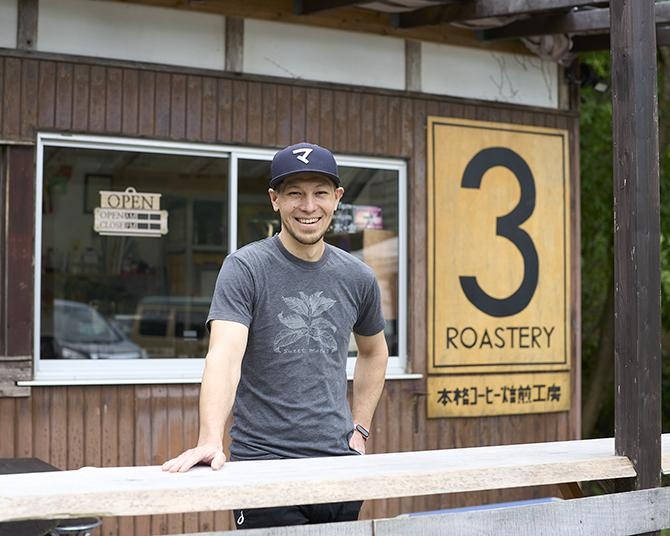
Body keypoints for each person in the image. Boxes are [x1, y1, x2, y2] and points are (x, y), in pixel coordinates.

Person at [162, 142, 389, 529]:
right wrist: (209, 439)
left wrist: (360, 430)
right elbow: (224, 356)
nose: (308, 206)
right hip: (264, 465)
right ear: (275, 200)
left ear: (336, 199)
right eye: (295, 193)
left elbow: (374, 352)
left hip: (337, 465)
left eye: (319, 193)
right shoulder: (246, 268)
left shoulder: (357, 276)